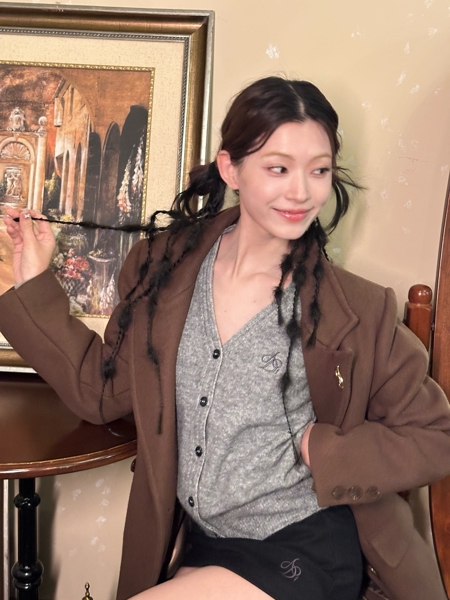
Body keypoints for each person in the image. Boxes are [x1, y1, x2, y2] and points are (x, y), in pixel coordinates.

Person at [0, 76, 449, 600]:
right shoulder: (163, 268)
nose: (302, 192)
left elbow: (436, 437)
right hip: (203, 544)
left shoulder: (356, 310)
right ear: (231, 168)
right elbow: (101, 391)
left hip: (303, 545)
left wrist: (327, 452)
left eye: (319, 170)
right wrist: (28, 284)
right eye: (278, 168)